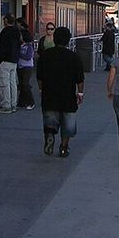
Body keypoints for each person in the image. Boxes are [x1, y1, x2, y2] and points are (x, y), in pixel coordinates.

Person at [36, 26, 85, 158]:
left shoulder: (45, 55)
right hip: (68, 96)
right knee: (68, 125)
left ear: (54, 39)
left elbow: (39, 77)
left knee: (50, 120)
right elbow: (80, 79)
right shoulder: (74, 57)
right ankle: (63, 147)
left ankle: (50, 135)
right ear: (68, 40)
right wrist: (80, 93)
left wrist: (41, 89)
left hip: (49, 95)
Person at [0, 13, 21, 114]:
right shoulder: (17, 31)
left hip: (5, 60)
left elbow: (2, 46)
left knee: (4, 83)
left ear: (6, 20)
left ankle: (6, 105)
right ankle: (13, 104)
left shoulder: (5, 31)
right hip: (14, 60)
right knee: (12, 83)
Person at [16, 19, 36, 110]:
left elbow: (28, 57)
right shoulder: (21, 46)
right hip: (20, 66)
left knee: (25, 84)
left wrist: (19, 54)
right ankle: (21, 102)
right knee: (21, 85)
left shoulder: (29, 46)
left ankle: (31, 102)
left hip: (27, 67)